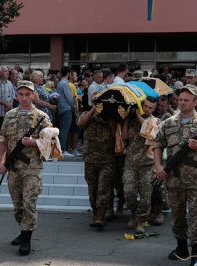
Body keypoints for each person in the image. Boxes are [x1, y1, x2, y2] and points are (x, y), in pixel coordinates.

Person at [153, 85, 197, 266]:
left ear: (195, 102)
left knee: (196, 216)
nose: (181, 103)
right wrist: (158, 166)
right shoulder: (169, 123)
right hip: (173, 178)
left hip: (196, 179)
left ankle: (196, 253)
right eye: (179, 100)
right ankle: (181, 247)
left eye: (186, 100)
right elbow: (157, 144)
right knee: (177, 215)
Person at [0, 80, 52, 255]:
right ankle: (23, 231)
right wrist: (1, 161)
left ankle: (26, 240)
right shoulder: (10, 115)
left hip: (32, 168)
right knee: (18, 205)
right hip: (13, 168)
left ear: (33, 95)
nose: (24, 98)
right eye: (20, 94)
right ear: (16, 95)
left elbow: (52, 142)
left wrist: (35, 142)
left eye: (27, 94)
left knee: (29, 202)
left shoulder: (42, 117)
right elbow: (3, 140)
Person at [76, 92, 115, 228]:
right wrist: (93, 109)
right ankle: (95, 213)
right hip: (90, 158)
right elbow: (81, 122)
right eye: (94, 101)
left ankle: (100, 215)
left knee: (103, 188)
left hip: (107, 159)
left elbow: (118, 135)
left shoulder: (110, 115)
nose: (97, 103)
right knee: (92, 189)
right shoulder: (87, 114)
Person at [122, 96, 160, 233]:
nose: (147, 109)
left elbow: (151, 134)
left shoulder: (156, 121)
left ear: (154, 109)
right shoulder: (132, 121)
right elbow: (124, 138)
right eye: (146, 106)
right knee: (129, 191)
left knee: (145, 194)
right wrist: (126, 121)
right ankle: (134, 213)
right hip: (131, 161)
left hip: (147, 163)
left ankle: (139, 220)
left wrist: (138, 116)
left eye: (151, 107)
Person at [57, 67, 75, 157]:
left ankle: (62, 149)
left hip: (62, 108)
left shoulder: (60, 83)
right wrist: (73, 107)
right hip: (66, 108)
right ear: (68, 73)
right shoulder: (64, 83)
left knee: (63, 129)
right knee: (65, 129)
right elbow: (69, 98)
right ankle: (63, 149)